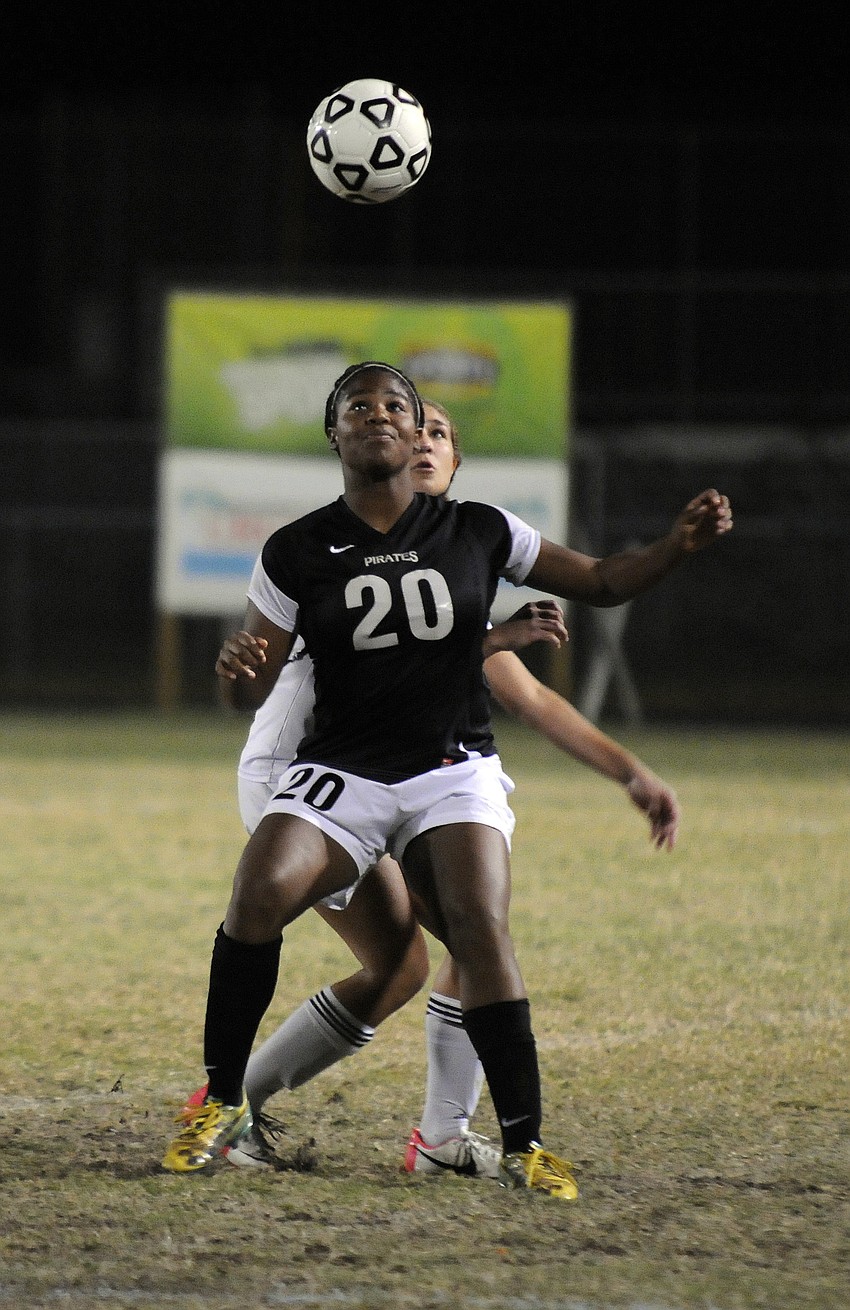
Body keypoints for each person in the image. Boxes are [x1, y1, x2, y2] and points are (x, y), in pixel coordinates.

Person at [161, 362, 731, 1198]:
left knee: (478, 930)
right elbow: (251, 682)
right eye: (363, 405)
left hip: (446, 771)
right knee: (256, 896)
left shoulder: (478, 528)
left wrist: (676, 549)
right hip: (342, 768)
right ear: (336, 433)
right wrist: (233, 666)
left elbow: (604, 580)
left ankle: (525, 1143)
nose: (386, 417)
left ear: (431, 440)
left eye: (402, 406)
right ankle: (220, 1104)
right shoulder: (295, 548)